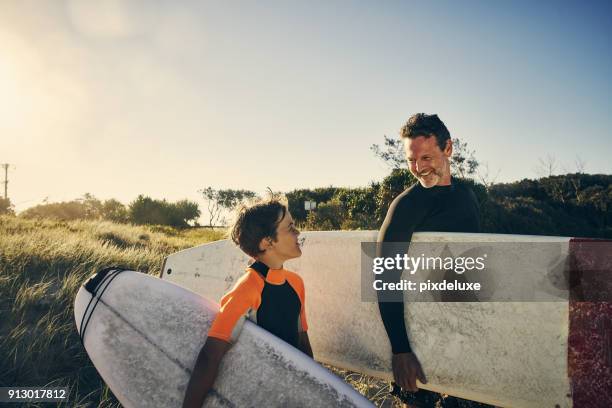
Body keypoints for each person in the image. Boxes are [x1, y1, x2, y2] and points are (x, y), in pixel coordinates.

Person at [377, 113, 481, 394]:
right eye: (411, 160)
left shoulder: (467, 197)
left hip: (463, 343)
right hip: (418, 348)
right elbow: (385, 277)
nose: (418, 168)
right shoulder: (406, 206)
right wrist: (400, 351)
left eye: (426, 158)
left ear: (448, 148)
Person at [182, 199, 313, 408]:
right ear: (267, 242)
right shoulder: (247, 289)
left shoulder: (296, 284)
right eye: (290, 228)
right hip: (256, 396)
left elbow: (303, 344)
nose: (298, 232)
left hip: (289, 394)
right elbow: (211, 354)